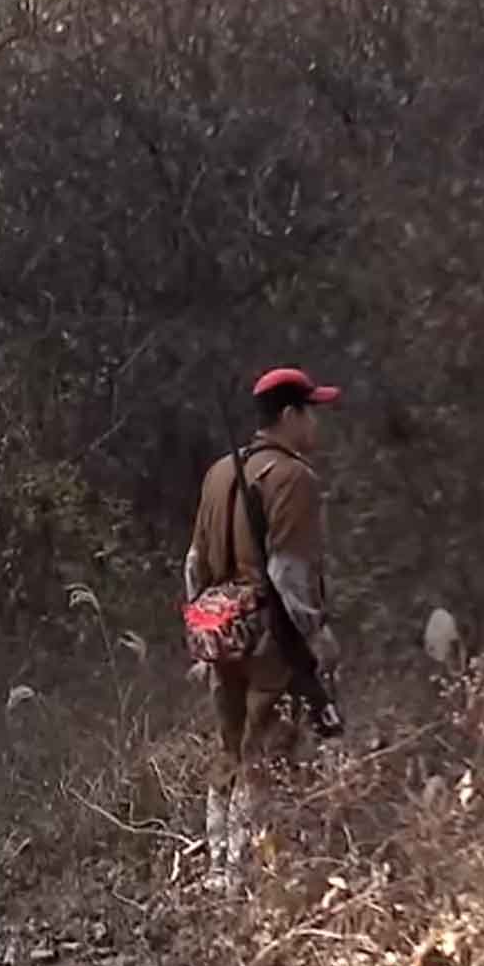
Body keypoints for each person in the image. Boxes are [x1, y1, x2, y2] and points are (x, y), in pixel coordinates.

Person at [183, 368, 343, 894]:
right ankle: (249, 884)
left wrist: (205, 630)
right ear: (291, 415)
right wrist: (317, 640)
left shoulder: (216, 474)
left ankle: (217, 873)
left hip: (220, 630)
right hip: (271, 638)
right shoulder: (295, 479)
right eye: (311, 410)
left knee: (227, 749)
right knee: (265, 753)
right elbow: (290, 574)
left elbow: (193, 565)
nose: (316, 423)